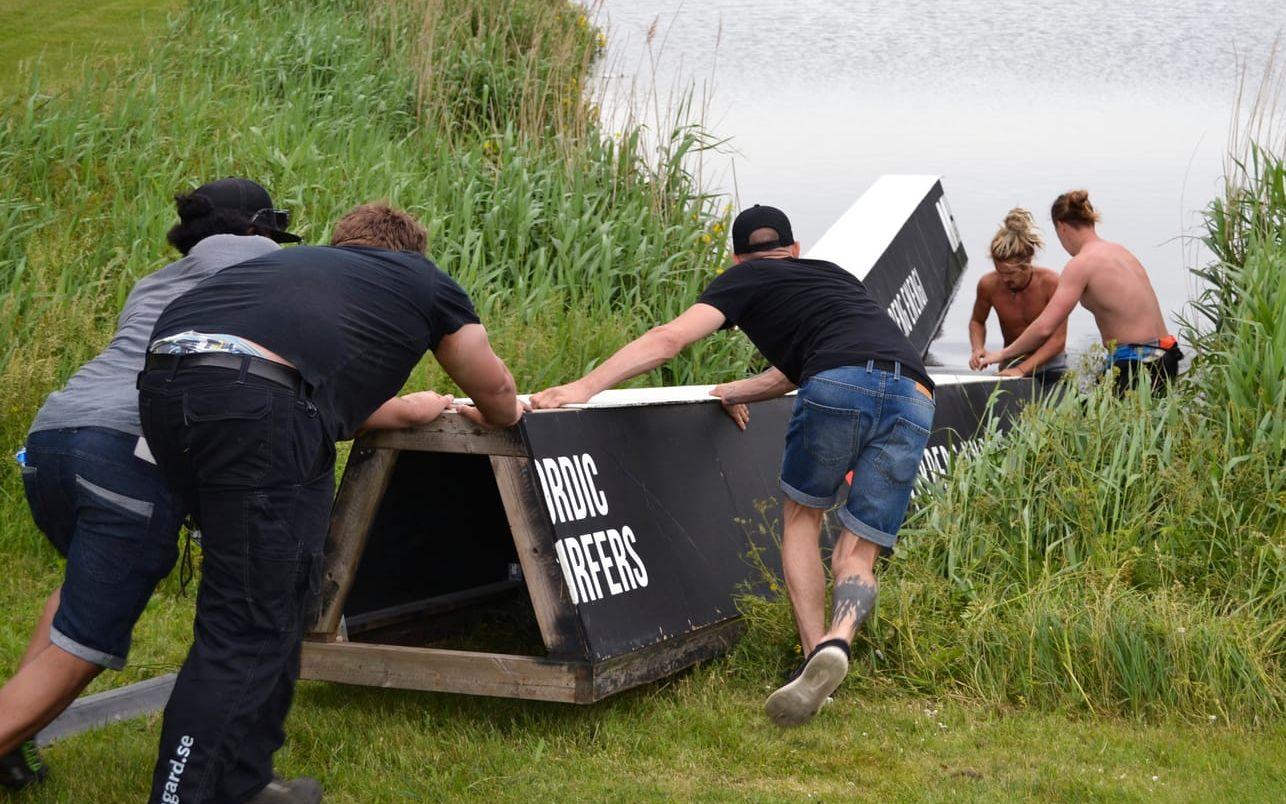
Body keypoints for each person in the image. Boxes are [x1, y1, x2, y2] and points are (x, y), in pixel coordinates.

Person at [137, 202, 522, 803]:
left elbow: (306, 394)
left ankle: (244, 782)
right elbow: (493, 386)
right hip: (254, 405)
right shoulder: (422, 279)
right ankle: (183, 795)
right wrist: (507, 413)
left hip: (166, 393)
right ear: (408, 252)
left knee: (283, 595)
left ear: (343, 244)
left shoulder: (296, 271)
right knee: (245, 623)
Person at [531, 204, 935, 727]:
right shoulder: (831, 276)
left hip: (837, 382)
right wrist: (734, 390)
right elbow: (799, 367)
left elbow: (669, 338)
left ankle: (815, 654)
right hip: (916, 392)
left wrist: (582, 387)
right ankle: (839, 640)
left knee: (802, 519)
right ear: (794, 248)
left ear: (737, 257)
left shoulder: (741, 279)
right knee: (857, 555)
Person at [0, 178, 302, 791]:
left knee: (80, 593)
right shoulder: (267, 265)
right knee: (87, 640)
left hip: (54, 436)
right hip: (125, 453)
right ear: (258, 229)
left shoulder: (154, 282)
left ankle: (14, 745)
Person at [978, 190, 1182, 393]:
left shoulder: (1081, 264)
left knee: (1098, 424)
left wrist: (1002, 355)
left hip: (1136, 363)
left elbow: (1044, 328)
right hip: (1167, 354)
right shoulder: (1121, 252)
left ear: (1062, 227)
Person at [967, 208, 1067, 382]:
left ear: (1028, 261)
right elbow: (977, 321)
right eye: (1000, 272)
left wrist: (1022, 370)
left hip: (1050, 363)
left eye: (1011, 274)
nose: (1005, 279)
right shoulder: (988, 285)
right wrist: (978, 348)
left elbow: (1058, 341)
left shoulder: (1052, 283)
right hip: (1011, 362)